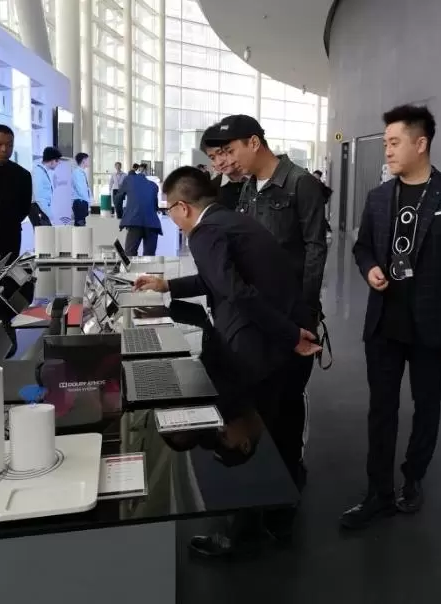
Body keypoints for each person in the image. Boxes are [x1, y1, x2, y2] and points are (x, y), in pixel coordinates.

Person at [135, 166, 321, 555]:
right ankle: (279, 513)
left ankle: (242, 533)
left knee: (253, 433)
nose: (172, 219)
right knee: (278, 427)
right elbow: (218, 280)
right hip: (275, 335)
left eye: (170, 210)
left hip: (261, 341)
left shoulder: (204, 232)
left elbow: (235, 292)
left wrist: (290, 336)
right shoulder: (230, 221)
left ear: (182, 207)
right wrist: (167, 285)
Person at [341, 105, 441, 530]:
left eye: (394, 142)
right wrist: (369, 268)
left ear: (421, 144)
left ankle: (413, 477)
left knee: (427, 405)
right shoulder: (379, 197)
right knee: (380, 410)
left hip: (431, 325)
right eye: (385, 143)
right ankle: (378, 492)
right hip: (384, 323)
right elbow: (362, 246)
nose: (387, 150)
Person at [203, 114, 328, 466]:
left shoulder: (300, 184)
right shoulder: (247, 188)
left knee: (288, 400)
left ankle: (291, 471)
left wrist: (305, 310)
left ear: (254, 143)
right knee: (263, 397)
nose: (227, 160)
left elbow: (316, 248)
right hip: (258, 313)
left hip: (291, 312)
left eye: (231, 151)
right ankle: (268, 471)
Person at [0, 124, 32, 259]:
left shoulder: (23, 175)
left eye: (9, 145)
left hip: (9, 239)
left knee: (9, 272)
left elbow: (24, 209)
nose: (4, 149)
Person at [115, 164, 161, 256]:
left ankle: (133, 266)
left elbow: (118, 198)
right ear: (146, 172)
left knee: (130, 254)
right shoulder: (154, 186)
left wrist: (120, 215)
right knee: (149, 256)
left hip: (135, 221)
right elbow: (155, 206)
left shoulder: (128, 180)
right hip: (152, 224)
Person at [200, 124, 245, 211]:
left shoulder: (259, 180)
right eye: (212, 158)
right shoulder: (211, 190)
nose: (219, 162)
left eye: (221, 153)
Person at [31, 146, 62, 224]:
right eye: (57, 161)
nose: (59, 163)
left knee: (46, 230)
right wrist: (50, 214)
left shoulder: (42, 171)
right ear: (52, 161)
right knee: (45, 231)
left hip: (41, 208)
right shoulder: (38, 173)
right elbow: (39, 197)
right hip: (38, 208)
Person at [71, 152, 91, 226]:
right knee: (80, 227)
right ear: (83, 160)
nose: (89, 161)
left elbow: (86, 188)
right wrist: (88, 201)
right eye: (88, 160)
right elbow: (81, 189)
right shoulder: (77, 173)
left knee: (82, 225)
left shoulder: (82, 172)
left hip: (82, 201)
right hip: (80, 202)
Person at [313, 169, 333, 235]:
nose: (314, 176)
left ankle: (327, 229)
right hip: (314, 203)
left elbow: (324, 193)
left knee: (320, 217)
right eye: (314, 175)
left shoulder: (320, 184)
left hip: (318, 203)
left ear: (319, 177)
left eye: (315, 175)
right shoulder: (314, 183)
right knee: (319, 217)